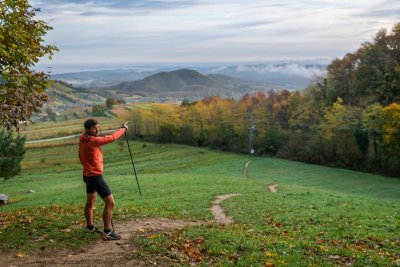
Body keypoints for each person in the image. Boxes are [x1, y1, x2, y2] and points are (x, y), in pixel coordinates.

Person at [78, 119, 128, 241]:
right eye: (95, 128)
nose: (97, 130)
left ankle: (90, 227)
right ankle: (107, 232)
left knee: (90, 202)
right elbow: (112, 138)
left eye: (98, 127)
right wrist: (124, 129)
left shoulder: (83, 139)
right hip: (95, 177)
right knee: (110, 202)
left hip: (87, 176)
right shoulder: (93, 141)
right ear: (88, 129)